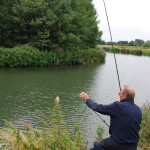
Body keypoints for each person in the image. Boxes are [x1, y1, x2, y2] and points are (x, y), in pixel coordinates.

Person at [80, 86, 142, 150]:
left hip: (117, 145)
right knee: (98, 143)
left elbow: (97, 107)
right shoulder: (138, 110)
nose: (119, 95)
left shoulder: (117, 106)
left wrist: (87, 99)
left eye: (119, 93)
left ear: (125, 95)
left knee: (97, 144)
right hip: (133, 146)